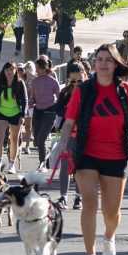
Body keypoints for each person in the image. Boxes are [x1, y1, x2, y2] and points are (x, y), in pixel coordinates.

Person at [55, 44, 128, 255]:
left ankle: (109, 237)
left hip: (116, 155)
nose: (103, 63)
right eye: (99, 59)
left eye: (108, 60)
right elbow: (69, 121)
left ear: (115, 63)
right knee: (89, 203)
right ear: (94, 63)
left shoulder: (125, 91)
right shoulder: (84, 90)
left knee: (111, 212)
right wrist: (61, 144)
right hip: (86, 153)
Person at [53, 62, 84, 210]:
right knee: (65, 165)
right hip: (68, 134)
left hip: (85, 136)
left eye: (80, 81)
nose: (77, 84)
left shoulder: (90, 92)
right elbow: (59, 113)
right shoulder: (64, 93)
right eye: (73, 81)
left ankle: (78, 197)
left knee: (79, 167)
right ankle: (63, 196)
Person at [0, 62, 28, 173]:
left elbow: (25, 100)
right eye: (7, 70)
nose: (9, 72)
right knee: (0, 137)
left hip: (16, 113)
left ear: (16, 70)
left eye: (11, 70)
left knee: (14, 139)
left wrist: (23, 115)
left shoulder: (20, 83)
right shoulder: (0, 83)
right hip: (1, 112)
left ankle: (12, 164)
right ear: (4, 71)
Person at [30, 56, 61, 167]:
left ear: (43, 68)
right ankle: (45, 156)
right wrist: (30, 102)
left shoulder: (53, 81)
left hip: (49, 111)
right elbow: (32, 97)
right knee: (36, 140)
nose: (36, 70)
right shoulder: (34, 81)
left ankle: (42, 163)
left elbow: (59, 97)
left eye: (37, 68)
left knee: (41, 139)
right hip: (38, 111)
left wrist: (59, 109)